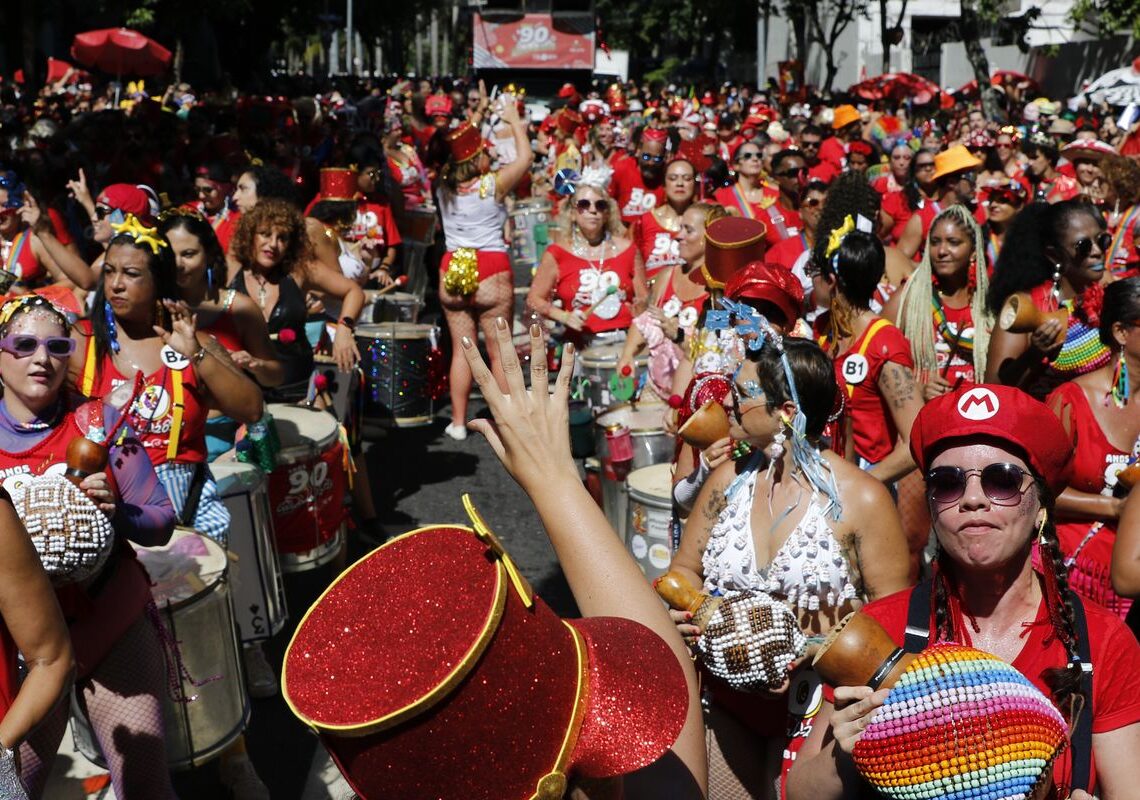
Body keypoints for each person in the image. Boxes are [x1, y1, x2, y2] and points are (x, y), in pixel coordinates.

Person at [786, 383, 1140, 800]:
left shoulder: (1102, 641)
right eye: (948, 483)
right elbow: (799, 792)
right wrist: (842, 759)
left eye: (1001, 480)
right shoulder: (882, 629)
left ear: (1041, 507)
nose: (972, 499)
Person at [671, 330, 911, 799]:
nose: (729, 403)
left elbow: (894, 615)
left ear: (785, 412)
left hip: (823, 706)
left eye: (742, 393)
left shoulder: (863, 498)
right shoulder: (726, 481)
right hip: (729, 699)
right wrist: (692, 614)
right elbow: (684, 569)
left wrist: (808, 647)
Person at [0, 294, 177, 800]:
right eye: (24, 345)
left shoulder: (99, 422)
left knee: (144, 785)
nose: (42, 358)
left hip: (108, 620)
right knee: (12, 785)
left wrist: (116, 512)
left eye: (57, 347)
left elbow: (161, 519)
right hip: (22, 642)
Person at [436, 98, 532, 440]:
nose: (490, 155)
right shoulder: (491, 185)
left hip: (452, 268)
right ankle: (506, 424)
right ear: (476, 159)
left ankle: (458, 422)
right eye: (485, 152)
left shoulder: (443, 186)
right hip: (491, 267)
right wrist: (514, 121)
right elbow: (525, 159)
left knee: (463, 349)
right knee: (498, 350)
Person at [1045, 278, 1140, 621]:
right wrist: (1114, 507)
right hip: (1077, 575)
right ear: (1120, 332)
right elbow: (1037, 490)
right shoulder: (1071, 401)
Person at [813, 221, 922, 484]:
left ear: (831, 281)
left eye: (814, 272)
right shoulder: (821, 329)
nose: (810, 280)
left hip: (863, 486)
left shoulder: (883, 343)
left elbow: (916, 441)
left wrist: (858, 485)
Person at [227, 199, 365, 399]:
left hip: (297, 388)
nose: (273, 244)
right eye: (265, 234)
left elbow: (354, 291)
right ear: (250, 235)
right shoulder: (232, 269)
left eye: (282, 238)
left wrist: (344, 329)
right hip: (243, 390)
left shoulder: (300, 270)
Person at [985, 200, 1110, 398]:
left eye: (1103, 240)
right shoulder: (1027, 305)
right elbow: (993, 390)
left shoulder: (1112, 289)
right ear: (1054, 255)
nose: (1097, 251)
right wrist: (1034, 354)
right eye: (1083, 246)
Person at [885, 205, 993, 397]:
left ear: (973, 251)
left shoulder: (990, 302)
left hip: (978, 409)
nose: (942, 251)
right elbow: (877, 357)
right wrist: (918, 388)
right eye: (935, 242)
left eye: (953, 242)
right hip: (925, 412)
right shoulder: (908, 297)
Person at [527, 177, 643, 346]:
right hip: (581, 345)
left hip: (626, 342)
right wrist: (564, 316)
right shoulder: (557, 253)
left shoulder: (628, 250)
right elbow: (534, 299)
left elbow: (644, 299)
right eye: (584, 205)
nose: (593, 210)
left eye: (600, 205)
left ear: (607, 214)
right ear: (572, 213)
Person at [630, 158, 696, 279]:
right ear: (664, 185)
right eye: (673, 178)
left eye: (687, 178)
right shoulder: (644, 221)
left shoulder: (705, 220)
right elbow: (632, 265)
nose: (680, 183)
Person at [610, 127, 668, 226]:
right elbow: (608, 200)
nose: (651, 163)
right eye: (646, 157)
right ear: (638, 151)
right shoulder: (621, 168)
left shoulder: (668, 176)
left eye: (657, 159)